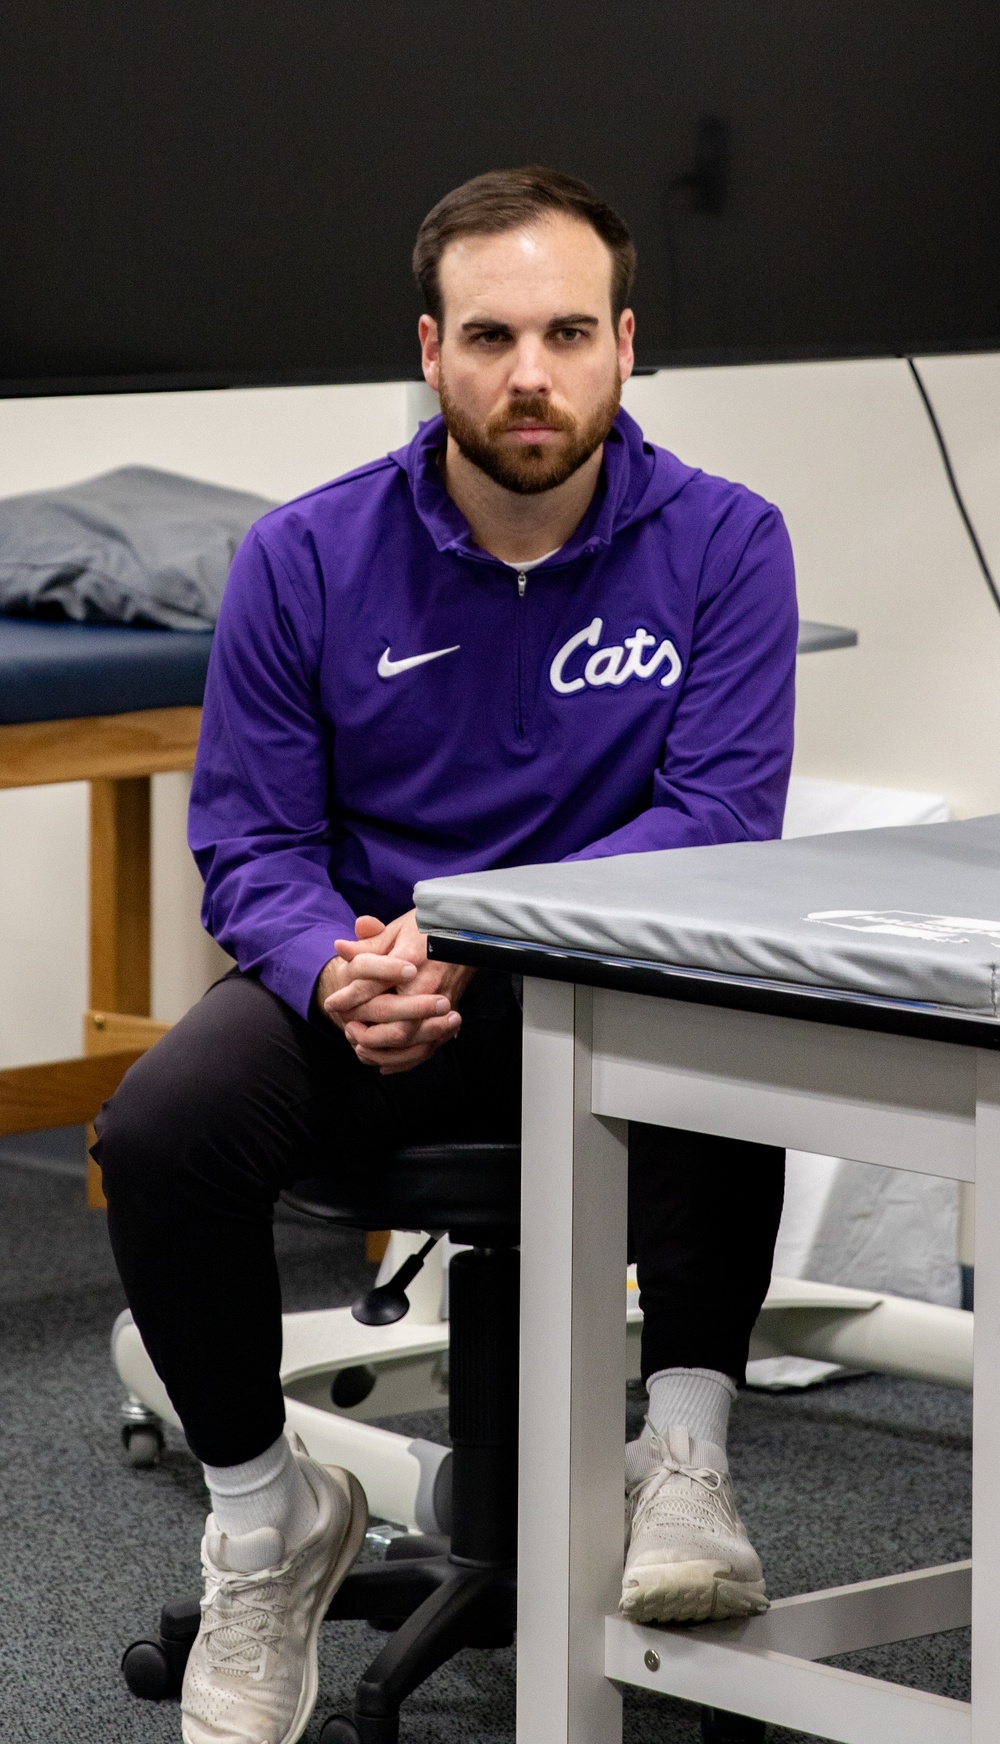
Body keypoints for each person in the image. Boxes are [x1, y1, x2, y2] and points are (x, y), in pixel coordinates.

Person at [95, 165, 796, 1744]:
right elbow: (253, 841)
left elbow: (722, 816)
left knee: (742, 1018)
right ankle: (268, 1521)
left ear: (626, 343)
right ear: (431, 349)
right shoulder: (306, 555)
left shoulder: (728, 543)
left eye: (565, 332)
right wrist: (334, 970)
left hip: (606, 984)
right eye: (490, 335)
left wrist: (485, 923)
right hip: (372, 987)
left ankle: (683, 1450)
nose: (528, 375)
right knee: (162, 1130)